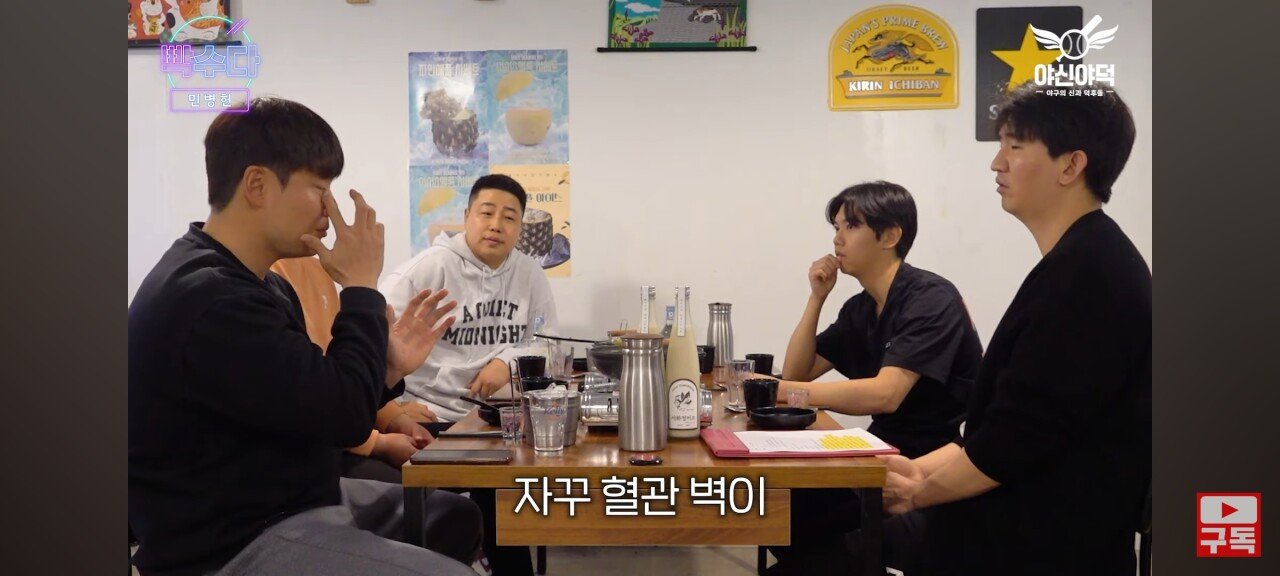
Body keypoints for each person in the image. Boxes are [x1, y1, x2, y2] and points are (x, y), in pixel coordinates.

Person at [128, 97, 482, 576]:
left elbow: (317, 404)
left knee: (455, 517)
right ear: (257, 185)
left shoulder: (261, 283)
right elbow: (342, 419)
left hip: (290, 499)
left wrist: (388, 367)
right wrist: (360, 287)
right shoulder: (211, 298)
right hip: (234, 540)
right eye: (319, 188)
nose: (330, 209)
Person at [880, 83, 1151, 576]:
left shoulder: (1089, 274)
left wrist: (917, 491)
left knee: (832, 547)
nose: (996, 163)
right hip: (1020, 529)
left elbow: (1018, 437)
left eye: (1015, 146)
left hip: (1040, 546)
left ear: (1071, 165)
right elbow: (998, 428)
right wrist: (918, 471)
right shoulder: (1082, 259)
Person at [766, 181, 983, 575]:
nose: (837, 239)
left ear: (890, 236)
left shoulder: (931, 299)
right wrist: (816, 297)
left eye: (851, 226)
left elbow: (886, 394)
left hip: (937, 466)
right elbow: (798, 373)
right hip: (880, 453)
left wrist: (781, 389)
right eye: (836, 228)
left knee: (823, 550)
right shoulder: (861, 308)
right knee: (782, 511)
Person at [381, 173, 558, 576]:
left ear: (520, 227)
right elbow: (375, 327)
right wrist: (393, 405)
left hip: (497, 418)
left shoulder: (529, 273)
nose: (496, 225)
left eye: (509, 217)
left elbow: (547, 341)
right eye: (486, 213)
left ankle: (490, 560)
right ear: (466, 217)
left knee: (517, 477)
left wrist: (507, 362)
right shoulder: (432, 266)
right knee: (495, 484)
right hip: (433, 416)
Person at [270, 257, 437, 484]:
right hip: (311, 451)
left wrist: (395, 419)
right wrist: (379, 443)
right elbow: (314, 405)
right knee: (428, 490)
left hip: (341, 430)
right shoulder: (268, 280)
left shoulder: (315, 268)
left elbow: (342, 378)